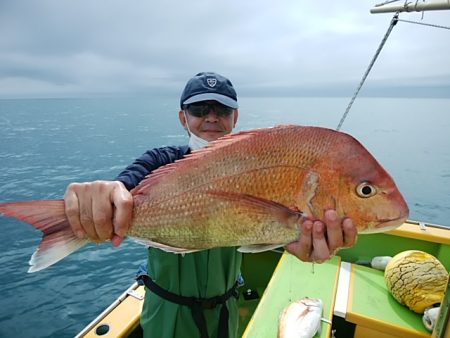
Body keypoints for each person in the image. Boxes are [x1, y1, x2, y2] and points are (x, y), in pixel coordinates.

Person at [64, 72, 357, 338]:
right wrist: (104, 196)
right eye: (199, 109)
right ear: (183, 118)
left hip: (226, 310)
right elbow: (124, 189)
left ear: (235, 116)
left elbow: (269, 227)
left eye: (222, 109)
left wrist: (303, 240)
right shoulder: (162, 160)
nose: (212, 117)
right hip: (167, 311)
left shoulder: (256, 165)